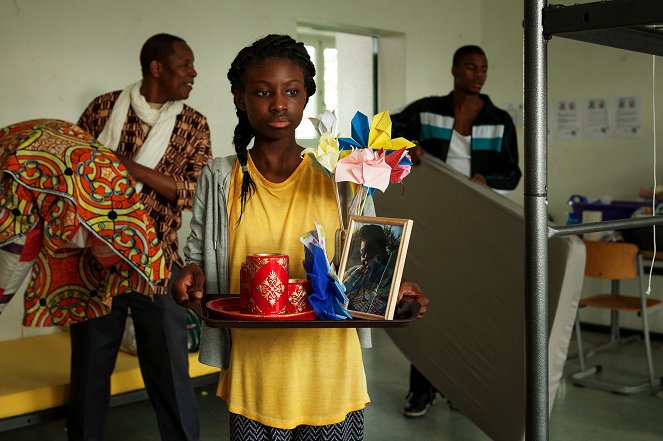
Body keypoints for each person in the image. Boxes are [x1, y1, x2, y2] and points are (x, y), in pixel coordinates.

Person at [172, 34, 427, 441]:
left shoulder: (343, 175)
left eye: (291, 91)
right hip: (256, 377)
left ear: (306, 96)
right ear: (239, 98)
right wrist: (188, 276)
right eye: (262, 92)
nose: (278, 103)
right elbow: (197, 258)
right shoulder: (221, 177)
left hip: (331, 374)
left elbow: (373, 255)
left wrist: (391, 289)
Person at [68, 33, 211, 441]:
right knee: (89, 375)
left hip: (158, 263)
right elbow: (74, 172)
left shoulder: (192, 123)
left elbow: (193, 193)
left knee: (171, 376)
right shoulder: (102, 109)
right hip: (95, 262)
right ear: (156, 67)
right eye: (185, 64)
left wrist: (130, 168)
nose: (193, 72)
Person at [391, 45, 522, 418]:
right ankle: (421, 390)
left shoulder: (499, 120)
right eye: (470, 67)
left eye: (483, 68)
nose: (478, 74)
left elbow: (512, 174)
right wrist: (406, 146)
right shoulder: (427, 110)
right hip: (433, 218)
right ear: (454, 70)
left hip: (478, 222)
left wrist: (486, 179)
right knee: (424, 304)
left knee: (468, 306)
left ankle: (458, 387)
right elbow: (388, 130)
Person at [344, 224, 393, 315]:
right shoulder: (354, 271)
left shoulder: (390, 284)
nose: (365, 257)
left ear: (382, 253)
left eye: (371, 249)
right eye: (363, 250)